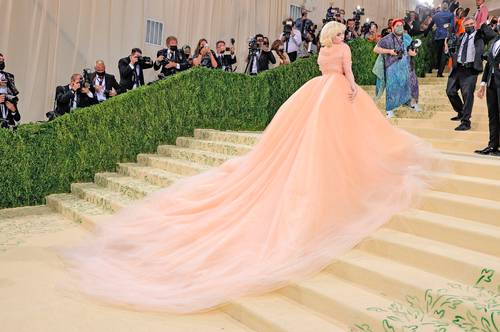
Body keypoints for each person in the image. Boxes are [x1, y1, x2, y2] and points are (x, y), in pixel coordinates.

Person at [64, 21, 441, 314]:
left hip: (313, 95)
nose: (343, 33)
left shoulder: (322, 52)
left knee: (310, 140)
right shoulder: (341, 49)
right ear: (337, 33)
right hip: (335, 95)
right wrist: (354, 90)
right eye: (341, 30)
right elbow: (348, 76)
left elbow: (327, 70)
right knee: (345, 140)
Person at [445, 17, 496, 131]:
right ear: (463, 26)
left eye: (471, 24)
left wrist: (483, 25)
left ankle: (466, 122)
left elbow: (493, 36)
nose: (469, 26)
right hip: (457, 68)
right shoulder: (461, 36)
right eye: (466, 24)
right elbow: (455, 49)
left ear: (475, 24)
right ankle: (461, 112)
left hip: (470, 69)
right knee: (450, 91)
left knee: (467, 94)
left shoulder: (480, 35)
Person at [373, 19, 421, 118]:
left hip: (407, 66)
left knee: (413, 84)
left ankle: (412, 104)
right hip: (392, 67)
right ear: (392, 28)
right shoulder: (387, 39)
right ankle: (389, 109)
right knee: (392, 88)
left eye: (401, 25)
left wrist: (413, 53)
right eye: (397, 25)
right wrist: (389, 51)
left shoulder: (407, 37)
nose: (399, 27)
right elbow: (376, 49)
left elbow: (413, 49)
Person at [475, 33, 500, 155]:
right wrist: (483, 84)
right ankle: (493, 145)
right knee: (493, 115)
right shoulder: (494, 41)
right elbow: (489, 64)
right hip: (492, 83)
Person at [425, 2, 455, 77]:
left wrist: (425, 34)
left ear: (441, 7)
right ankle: (439, 73)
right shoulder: (451, 15)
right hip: (446, 36)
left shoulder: (436, 15)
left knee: (436, 53)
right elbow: (453, 26)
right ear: (447, 7)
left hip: (437, 35)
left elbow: (430, 26)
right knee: (444, 54)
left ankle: (430, 69)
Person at [0, 53, 20, 129]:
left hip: (9, 132)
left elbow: (18, 118)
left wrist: (13, 110)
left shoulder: (10, 98)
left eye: (3, 60)